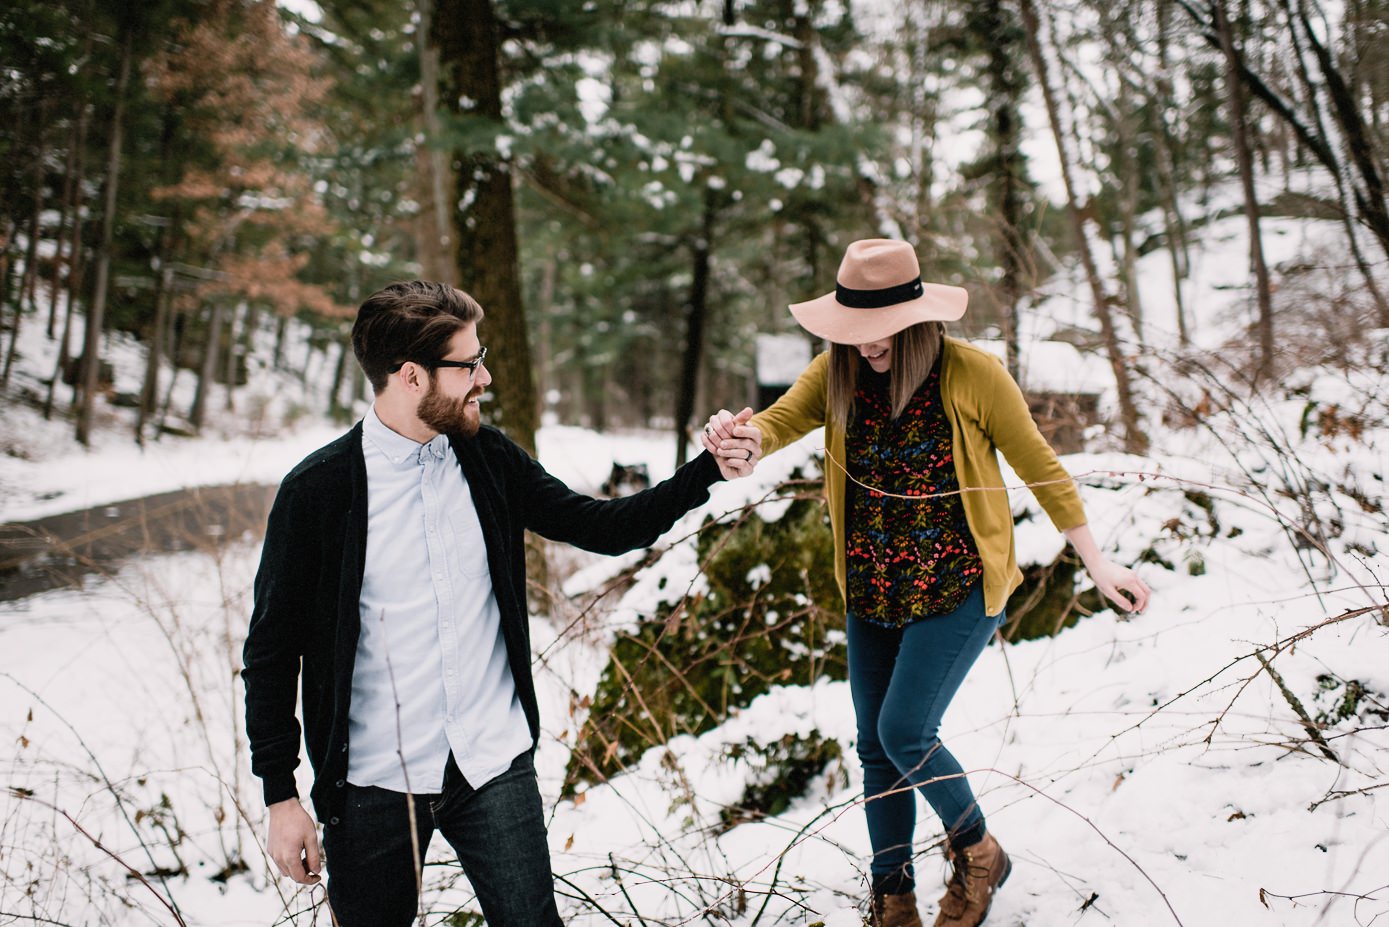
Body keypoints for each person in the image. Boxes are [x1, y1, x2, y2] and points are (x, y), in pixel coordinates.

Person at [242, 280, 752, 926]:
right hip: (374, 782)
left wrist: (706, 469)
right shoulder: (318, 491)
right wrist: (280, 794)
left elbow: (603, 527)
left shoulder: (486, 458)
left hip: (492, 761)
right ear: (410, 377)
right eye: (467, 364)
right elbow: (270, 650)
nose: (484, 377)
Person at [701, 239, 1150, 927]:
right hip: (871, 587)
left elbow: (1040, 466)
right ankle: (893, 896)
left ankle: (977, 850)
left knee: (905, 729)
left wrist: (1095, 560)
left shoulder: (973, 374)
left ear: (915, 320)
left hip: (958, 583)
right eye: (851, 333)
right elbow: (780, 420)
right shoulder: (839, 370)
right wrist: (742, 439)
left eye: (875, 334)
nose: (863, 347)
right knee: (874, 746)